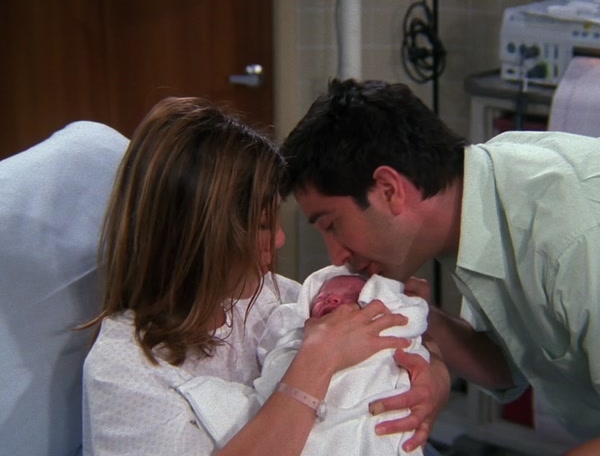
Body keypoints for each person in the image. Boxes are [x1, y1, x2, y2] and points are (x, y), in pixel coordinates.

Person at [279, 78, 600, 455]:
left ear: (389, 190)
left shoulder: (577, 236)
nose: (336, 255)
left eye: (332, 225)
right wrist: (421, 320)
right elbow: (507, 367)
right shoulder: (482, 198)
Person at [79, 96, 438, 456]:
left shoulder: (271, 299)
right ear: (201, 237)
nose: (279, 240)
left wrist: (432, 378)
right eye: (263, 225)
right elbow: (326, 352)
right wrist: (316, 360)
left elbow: (398, 347)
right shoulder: (124, 369)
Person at [180, 265, 430, 455]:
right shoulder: (291, 326)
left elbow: (409, 336)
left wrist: (433, 376)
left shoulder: (277, 291)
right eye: (323, 297)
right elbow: (272, 365)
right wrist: (314, 353)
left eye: (350, 299)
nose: (332, 299)